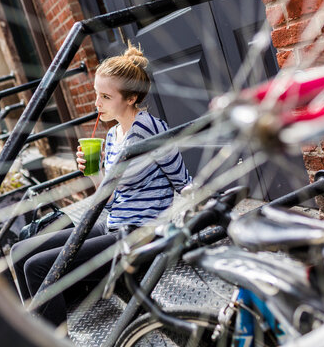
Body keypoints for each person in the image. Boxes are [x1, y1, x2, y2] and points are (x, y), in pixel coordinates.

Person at [11, 43, 191, 328]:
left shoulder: (150, 130)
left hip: (139, 235)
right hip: (113, 222)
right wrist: (93, 173)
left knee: (38, 266)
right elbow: (108, 200)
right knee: (19, 253)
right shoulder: (111, 136)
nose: (97, 104)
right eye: (97, 94)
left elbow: (183, 181)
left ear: (131, 98)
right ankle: (33, 331)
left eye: (106, 97)